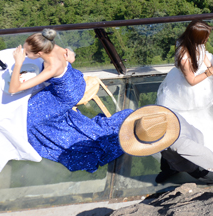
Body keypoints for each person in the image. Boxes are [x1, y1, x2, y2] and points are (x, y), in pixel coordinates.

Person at [11, 29, 134, 173]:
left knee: (27, 118)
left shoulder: (51, 67)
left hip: (66, 96)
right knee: (32, 105)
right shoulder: (53, 47)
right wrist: (69, 56)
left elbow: (14, 88)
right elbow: (72, 57)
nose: (25, 55)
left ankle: (44, 136)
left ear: (39, 53)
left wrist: (18, 63)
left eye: (27, 53)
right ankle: (52, 124)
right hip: (75, 82)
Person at [155, 20, 213, 161]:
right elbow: (191, 81)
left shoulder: (193, 42)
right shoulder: (184, 58)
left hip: (204, 71)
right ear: (196, 38)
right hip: (194, 85)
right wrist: (211, 71)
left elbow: (202, 54)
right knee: (201, 115)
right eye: (205, 37)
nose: (207, 39)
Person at [119, 105, 213, 184]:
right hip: (173, 146)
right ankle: (169, 170)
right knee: (166, 157)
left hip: (185, 153)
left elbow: (203, 154)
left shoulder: (180, 144)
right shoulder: (162, 117)